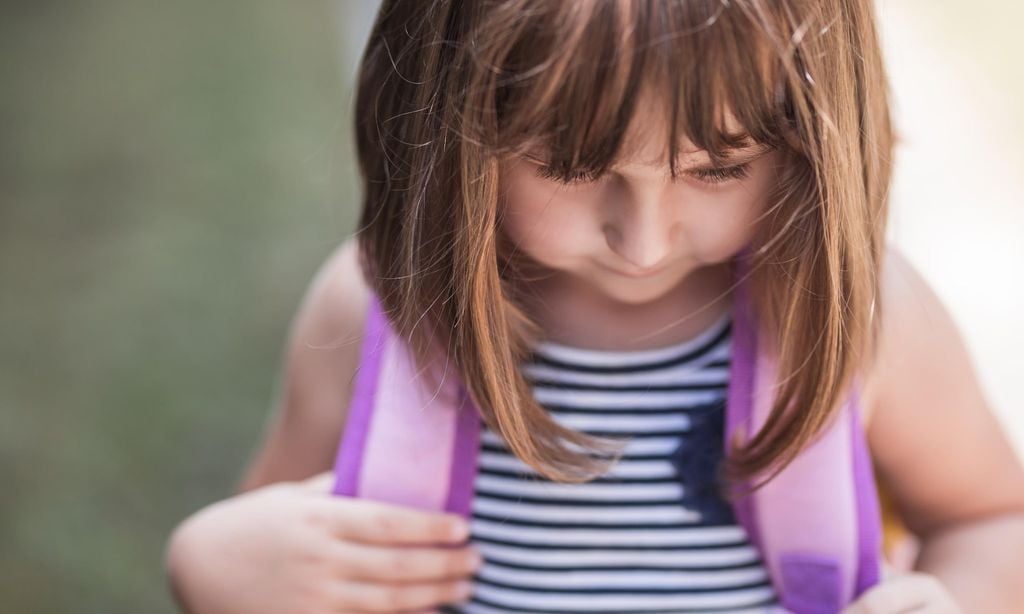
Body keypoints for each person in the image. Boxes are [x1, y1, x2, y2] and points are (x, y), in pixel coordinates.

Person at [163, 0, 1024, 612]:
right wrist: (212, 566)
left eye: (718, 168)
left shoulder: (862, 317)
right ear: (441, 120)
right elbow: (290, 547)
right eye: (571, 169)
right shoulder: (371, 312)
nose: (644, 241)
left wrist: (957, 598)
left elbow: (994, 519)